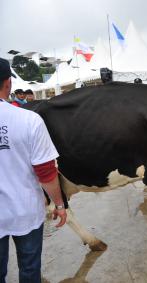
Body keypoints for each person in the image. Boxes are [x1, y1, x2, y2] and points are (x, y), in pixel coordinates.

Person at [0, 57, 67, 283]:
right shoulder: (29, 120)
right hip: (25, 209)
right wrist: (59, 204)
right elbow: (46, 172)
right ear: (8, 83)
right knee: (29, 270)